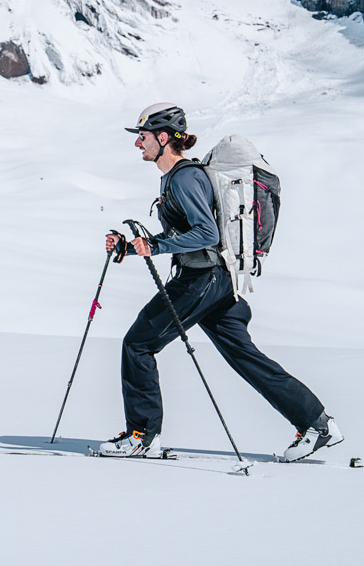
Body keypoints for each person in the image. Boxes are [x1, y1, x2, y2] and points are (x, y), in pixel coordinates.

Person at [98, 102, 343, 461]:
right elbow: (184, 234)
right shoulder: (176, 177)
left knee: (137, 344)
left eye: (144, 137)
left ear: (163, 138)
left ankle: (141, 436)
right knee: (244, 356)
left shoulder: (184, 177)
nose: (138, 144)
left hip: (202, 280)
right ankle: (316, 424)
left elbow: (206, 233)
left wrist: (155, 245)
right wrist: (129, 248)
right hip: (217, 280)